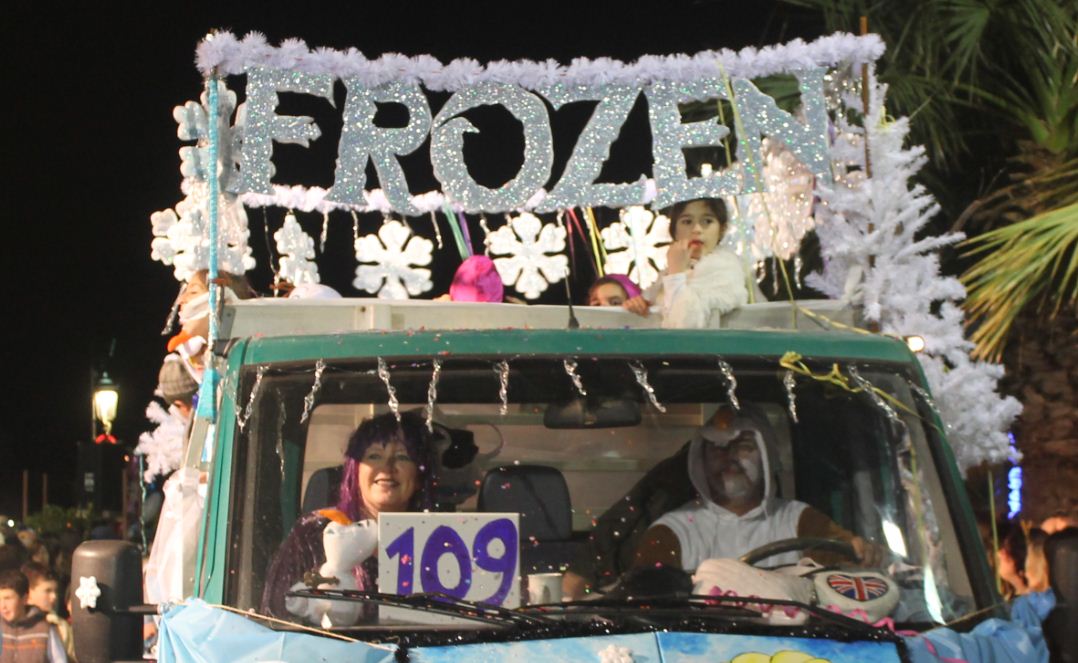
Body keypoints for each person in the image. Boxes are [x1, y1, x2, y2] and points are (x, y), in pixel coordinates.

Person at [631, 405, 881, 574]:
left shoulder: (799, 520)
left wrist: (864, 553)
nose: (729, 459)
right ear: (701, 460)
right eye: (717, 448)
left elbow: (846, 562)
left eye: (743, 446)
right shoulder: (673, 532)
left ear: (766, 456)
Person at [260, 411, 436, 624]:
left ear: (419, 477)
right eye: (374, 456)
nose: (387, 467)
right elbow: (277, 618)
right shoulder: (313, 533)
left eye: (402, 457)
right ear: (355, 471)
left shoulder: (440, 541)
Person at [624, 199, 748, 328]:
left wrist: (676, 273)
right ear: (674, 231)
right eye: (687, 222)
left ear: (722, 229)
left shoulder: (725, 272)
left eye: (707, 221)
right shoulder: (666, 275)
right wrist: (640, 305)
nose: (697, 229)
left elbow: (686, 328)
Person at [0, 569, 67, 662]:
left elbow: (59, 660)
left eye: (8, 598)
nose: (3, 605)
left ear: (24, 599)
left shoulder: (44, 630)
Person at [19, 563, 74, 662]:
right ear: (28, 593)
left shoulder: (59, 625)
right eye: (47, 591)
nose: (54, 597)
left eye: (55, 591)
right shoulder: (9, 623)